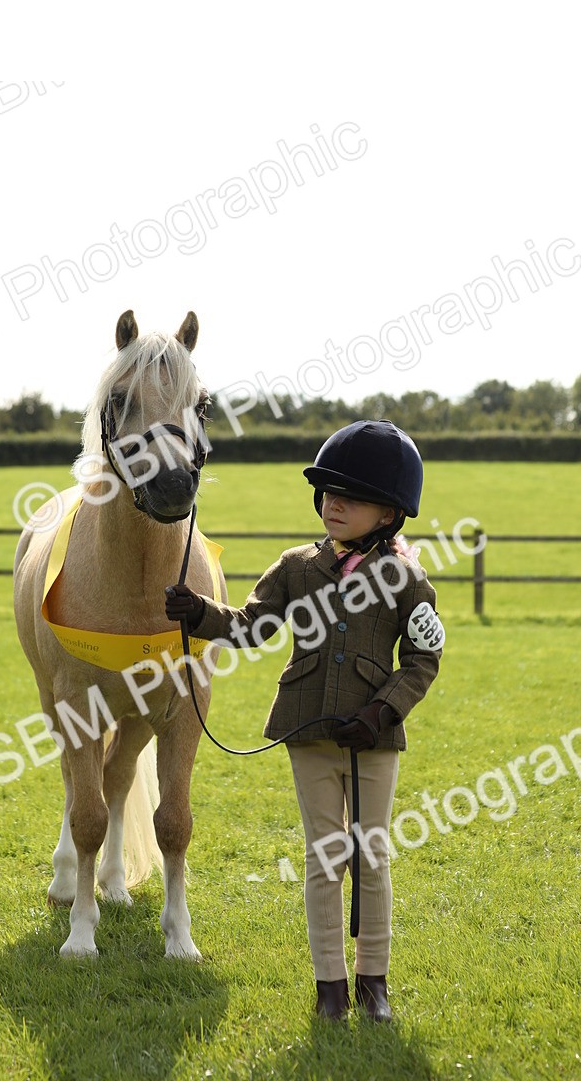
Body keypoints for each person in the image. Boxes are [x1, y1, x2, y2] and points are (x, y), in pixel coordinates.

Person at [165, 420, 444, 1022]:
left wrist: (380, 711)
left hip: (374, 739)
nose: (334, 503)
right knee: (324, 856)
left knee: (371, 854)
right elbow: (252, 625)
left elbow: (425, 658)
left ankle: (374, 984)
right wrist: (201, 613)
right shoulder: (296, 567)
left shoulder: (406, 579)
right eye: (327, 491)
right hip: (307, 730)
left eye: (353, 496)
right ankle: (330, 990)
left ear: (391, 513)